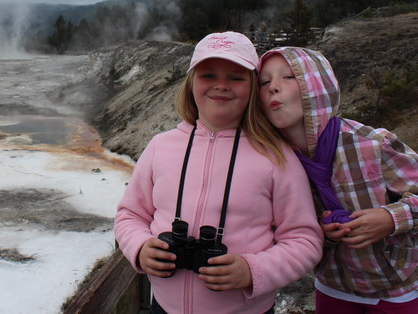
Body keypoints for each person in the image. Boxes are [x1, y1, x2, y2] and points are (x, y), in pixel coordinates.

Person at [114, 32, 323, 314]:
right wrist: (139, 247)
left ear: (252, 88)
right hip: (163, 307)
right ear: (190, 84)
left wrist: (253, 271)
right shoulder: (160, 146)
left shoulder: (276, 156)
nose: (221, 86)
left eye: (236, 78)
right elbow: (130, 215)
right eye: (208, 75)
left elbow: (305, 240)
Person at [258, 46, 418, 313]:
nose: (273, 87)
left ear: (317, 86)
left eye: (288, 77)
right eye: (264, 82)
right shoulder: (275, 162)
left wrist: (391, 219)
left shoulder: (373, 144)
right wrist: (320, 232)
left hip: (396, 287)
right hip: (334, 286)